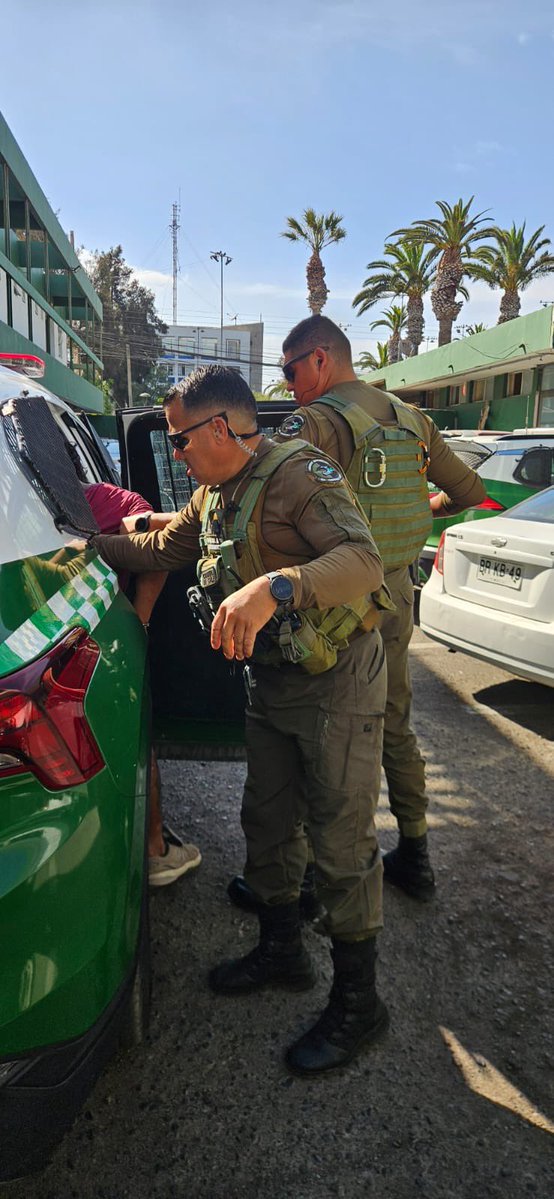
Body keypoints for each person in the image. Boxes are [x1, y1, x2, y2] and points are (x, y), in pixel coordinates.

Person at [90, 364, 391, 1076]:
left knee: (342, 845)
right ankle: (283, 949)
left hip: (337, 683)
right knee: (266, 819)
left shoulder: (297, 475)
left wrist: (275, 586)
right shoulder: (213, 495)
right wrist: (79, 551)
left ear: (221, 428)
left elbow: (365, 562)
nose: (177, 454)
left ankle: (360, 1004)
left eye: (182, 441)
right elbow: (163, 549)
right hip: (277, 682)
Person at [242, 315, 485, 903]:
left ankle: (298, 880)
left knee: (309, 732)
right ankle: (417, 852)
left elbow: (259, 504)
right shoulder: (412, 418)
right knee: (393, 720)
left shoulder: (314, 423)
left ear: (320, 359)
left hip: (335, 606)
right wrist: (415, 510)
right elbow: (471, 493)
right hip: (399, 593)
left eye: (291, 369)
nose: (288, 383)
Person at [83, 478, 202, 888]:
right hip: (95, 652)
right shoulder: (95, 497)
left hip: (81, 656)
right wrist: (139, 620)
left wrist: (140, 617)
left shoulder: (97, 500)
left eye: (181, 441)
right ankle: (155, 851)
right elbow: (160, 539)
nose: (181, 453)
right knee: (133, 739)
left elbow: (157, 536)